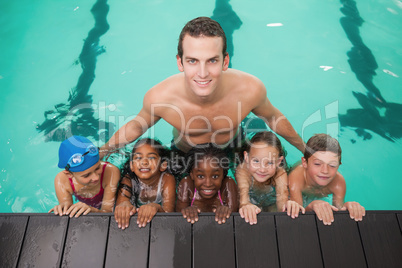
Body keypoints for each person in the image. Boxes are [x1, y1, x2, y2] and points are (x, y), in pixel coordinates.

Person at [99, 16, 304, 161]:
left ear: (225, 62)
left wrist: (306, 150)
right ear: (180, 63)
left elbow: (274, 118)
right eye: (193, 61)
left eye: (212, 61)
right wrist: (102, 153)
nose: (203, 73)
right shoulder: (160, 97)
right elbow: (136, 126)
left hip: (233, 146)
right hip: (185, 152)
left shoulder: (250, 89)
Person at [289, 134, 365, 225]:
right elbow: (297, 216)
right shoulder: (296, 178)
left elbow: (339, 209)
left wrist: (348, 208)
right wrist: (311, 206)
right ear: (305, 163)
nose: (325, 171)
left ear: (338, 166)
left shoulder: (338, 183)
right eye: (317, 164)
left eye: (332, 165)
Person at [236, 131, 305, 225]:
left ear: (278, 162)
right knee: (245, 212)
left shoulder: (280, 173)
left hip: (269, 202)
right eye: (256, 161)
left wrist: (287, 205)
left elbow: (282, 199)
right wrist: (246, 205)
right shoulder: (243, 171)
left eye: (270, 163)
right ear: (246, 157)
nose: (262, 169)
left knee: (273, 211)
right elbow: (243, 200)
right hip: (253, 198)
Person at [49, 136, 120, 217]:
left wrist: (92, 210)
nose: (96, 177)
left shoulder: (111, 171)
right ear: (69, 174)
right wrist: (63, 209)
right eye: (86, 175)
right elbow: (67, 208)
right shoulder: (62, 180)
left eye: (97, 168)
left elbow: (108, 214)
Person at [114, 138, 176, 229]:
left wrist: (157, 207)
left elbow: (169, 214)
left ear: (163, 165)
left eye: (151, 157)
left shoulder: (167, 179)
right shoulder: (128, 180)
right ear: (132, 166)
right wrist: (124, 205)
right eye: (138, 158)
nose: (144, 162)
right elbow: (122, 204)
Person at [176, 143, 239, 224]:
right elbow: (177, 219)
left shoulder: (228, 183)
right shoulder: (187, 184)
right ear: (191, 174)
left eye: (215, 176)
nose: (208, 184)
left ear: (223, 174)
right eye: (200, 176)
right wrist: (186, 211)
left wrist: (227, 211)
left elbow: (234, 220)